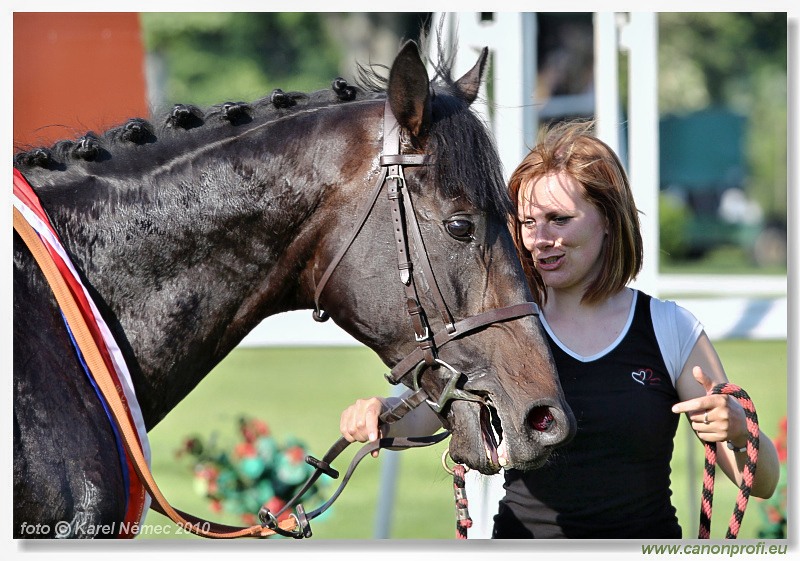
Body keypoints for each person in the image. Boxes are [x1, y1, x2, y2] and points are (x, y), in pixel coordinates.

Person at [338, 120, 780, 538]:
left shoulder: (670, 327)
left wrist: (740, 432)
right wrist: (383, 413)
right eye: (528, 223)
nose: (539, 238)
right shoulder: (499, 325)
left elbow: (760, 484)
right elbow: (437, 408)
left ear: (607, 219)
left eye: (560, 219)